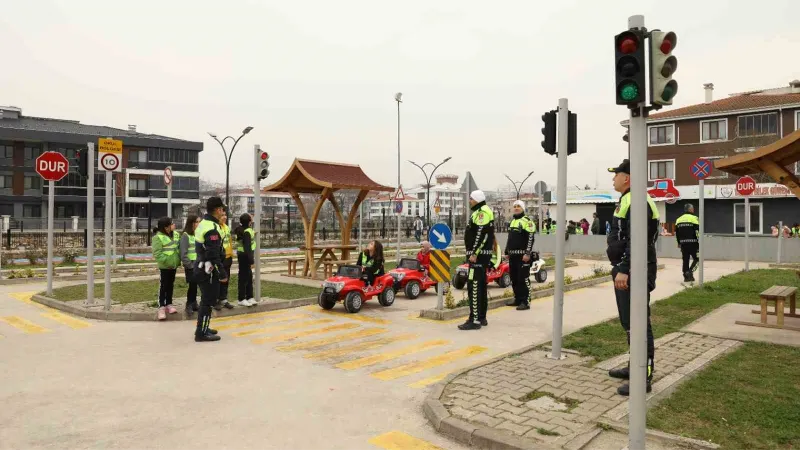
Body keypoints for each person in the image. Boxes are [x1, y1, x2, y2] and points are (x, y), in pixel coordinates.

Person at [606, 159, 658, 396]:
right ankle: (633, 366)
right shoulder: (627, 199)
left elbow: (639, 239)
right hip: (625, 268)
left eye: (615, 175)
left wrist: (625, 267)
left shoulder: (638, 200)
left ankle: (643, 375)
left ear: (627, 178)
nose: (613, 179)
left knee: (639, 323)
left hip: (634, 269)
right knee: (629, 323)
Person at [459, 190, 495, 331]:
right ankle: (481, 317)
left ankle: (474, 320)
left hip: (478, 257)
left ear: (477, 200)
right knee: (480, 287)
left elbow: (481, 234)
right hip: (480, 256)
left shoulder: (482, 213)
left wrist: (474, 253)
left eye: (471, 199)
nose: (470, 201)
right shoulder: (483, 211)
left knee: (473, 287)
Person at [193, 197, 227, 342]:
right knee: (208, 301)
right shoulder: (211, 228)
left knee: (206, 300)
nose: (223, 212)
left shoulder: (204, 223)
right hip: (208, 270)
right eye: (222, 209)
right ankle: (201, 333)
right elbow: (213, 254)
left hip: (202, 267)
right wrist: (222, 272)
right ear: (218, 210)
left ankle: (203, 328)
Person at [504, 200, 535, 311]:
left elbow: (531, 238)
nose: (516, 208)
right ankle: (517, 299)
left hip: (523, 256)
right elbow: (510, 238)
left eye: (519, 206)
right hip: (513, 256)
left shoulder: (527, 221)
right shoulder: (513, 222)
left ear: (523, 208)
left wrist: (527, 253)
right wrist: (507, 251)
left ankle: (525, 301)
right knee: (514, 278)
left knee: (523, 278)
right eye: (515, 206)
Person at [152, 217, 180, 320]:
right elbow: (157, 254)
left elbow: (178, 248)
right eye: (172, 224)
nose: (174, 225)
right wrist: (167, 262)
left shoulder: (176, 235)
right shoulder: (158, 237)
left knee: (170, 285)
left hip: (174, 265)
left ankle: (169, 303)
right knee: (163, 286)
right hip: (165, 266)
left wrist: (177, 261)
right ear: (166, 227)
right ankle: (161, 307)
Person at [179, 215, 201, 315]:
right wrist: (190, 266)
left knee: (195, 285)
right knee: (192, 285)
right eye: (197, 222)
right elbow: (183, 254)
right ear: (192, 223)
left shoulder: (198, 235)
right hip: (191, 265)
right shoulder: (185, 235)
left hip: (198, 264)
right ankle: (189, 304)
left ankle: (194, 303)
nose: (199, 224)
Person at [234, 213, 257, 307]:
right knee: (243, 278)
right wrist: (251, 261)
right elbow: (247, 247)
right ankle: (241, 298)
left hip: (243, 255)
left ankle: (249, 296)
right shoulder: (247, 232)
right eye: (251, 218)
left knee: (248, 276)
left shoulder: (242, 230)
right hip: (245, 256)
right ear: (249, 221)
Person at [675, 204, 700, 283]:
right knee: (698, 259)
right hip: (693, 243)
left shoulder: (678, 219)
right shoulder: (694, 218)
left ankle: (686, 277)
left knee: (685, 260)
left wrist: (679, 242)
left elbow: (677, 233)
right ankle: (689, 272)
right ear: (691, 209)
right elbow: (697, 231)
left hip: (683, 244)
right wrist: (699, 241)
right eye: (693, 209)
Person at [216, 212, 235, 310]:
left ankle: (223, 298)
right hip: (219, 258)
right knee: (218, 279)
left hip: (228, 257)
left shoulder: (226, 227)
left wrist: (231, 253)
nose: (225, 217)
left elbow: (230, 241)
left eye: (225, 215)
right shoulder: (216, 228)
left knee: (226, 279)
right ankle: (216, 300)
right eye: (222, 215)